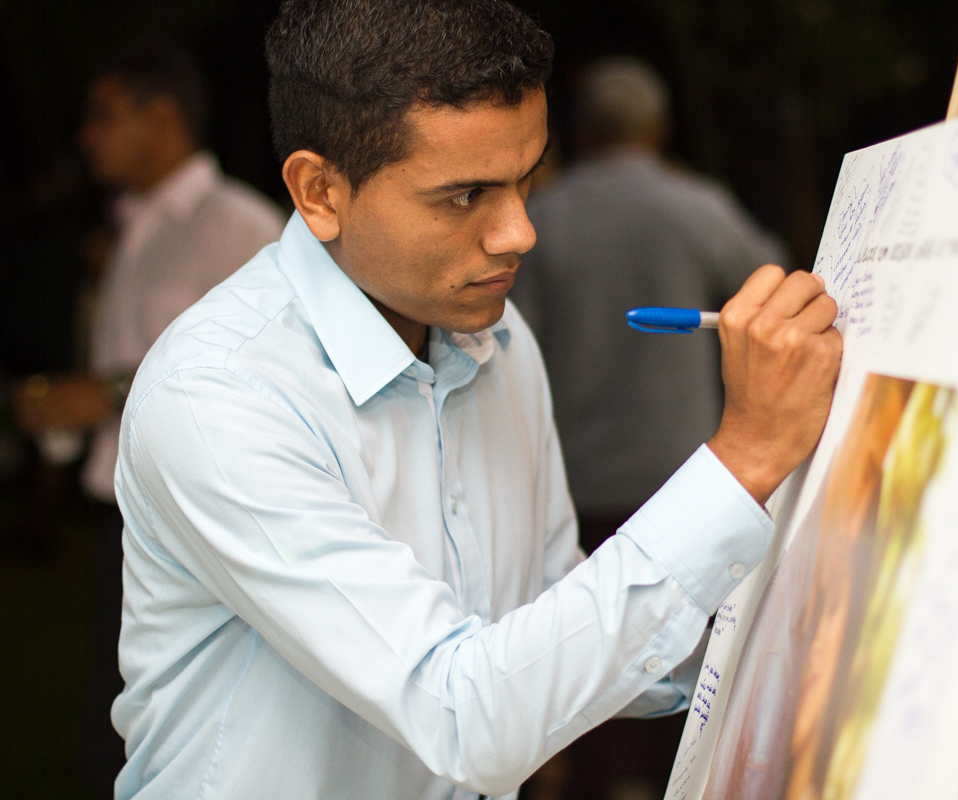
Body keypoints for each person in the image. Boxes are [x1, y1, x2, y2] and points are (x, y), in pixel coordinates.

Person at [108, 3, 841, 799]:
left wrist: (796, 630)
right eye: (465, 197)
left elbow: (548, 619)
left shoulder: (496, 339)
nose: (520, 232)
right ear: (319, 191)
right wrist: (746, 457)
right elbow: (465, 713)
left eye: (529, 179)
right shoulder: (220, 396)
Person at [11, 42, 285, 796]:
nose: (85, 136)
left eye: (103, 115)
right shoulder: (136, 226)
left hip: (202, 518)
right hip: (124, 517)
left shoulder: (240, 226)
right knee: (121, 721)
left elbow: (262, 365)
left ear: (160, 117)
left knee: (184, 733)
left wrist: (100, 396)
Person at [510, 57, 789, 555]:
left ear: (581, 129)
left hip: (578, 483)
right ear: (659, 129)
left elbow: (513, 335)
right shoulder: (693, 204)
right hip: (684, 474)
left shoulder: (539, 218)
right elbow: (773, 278)